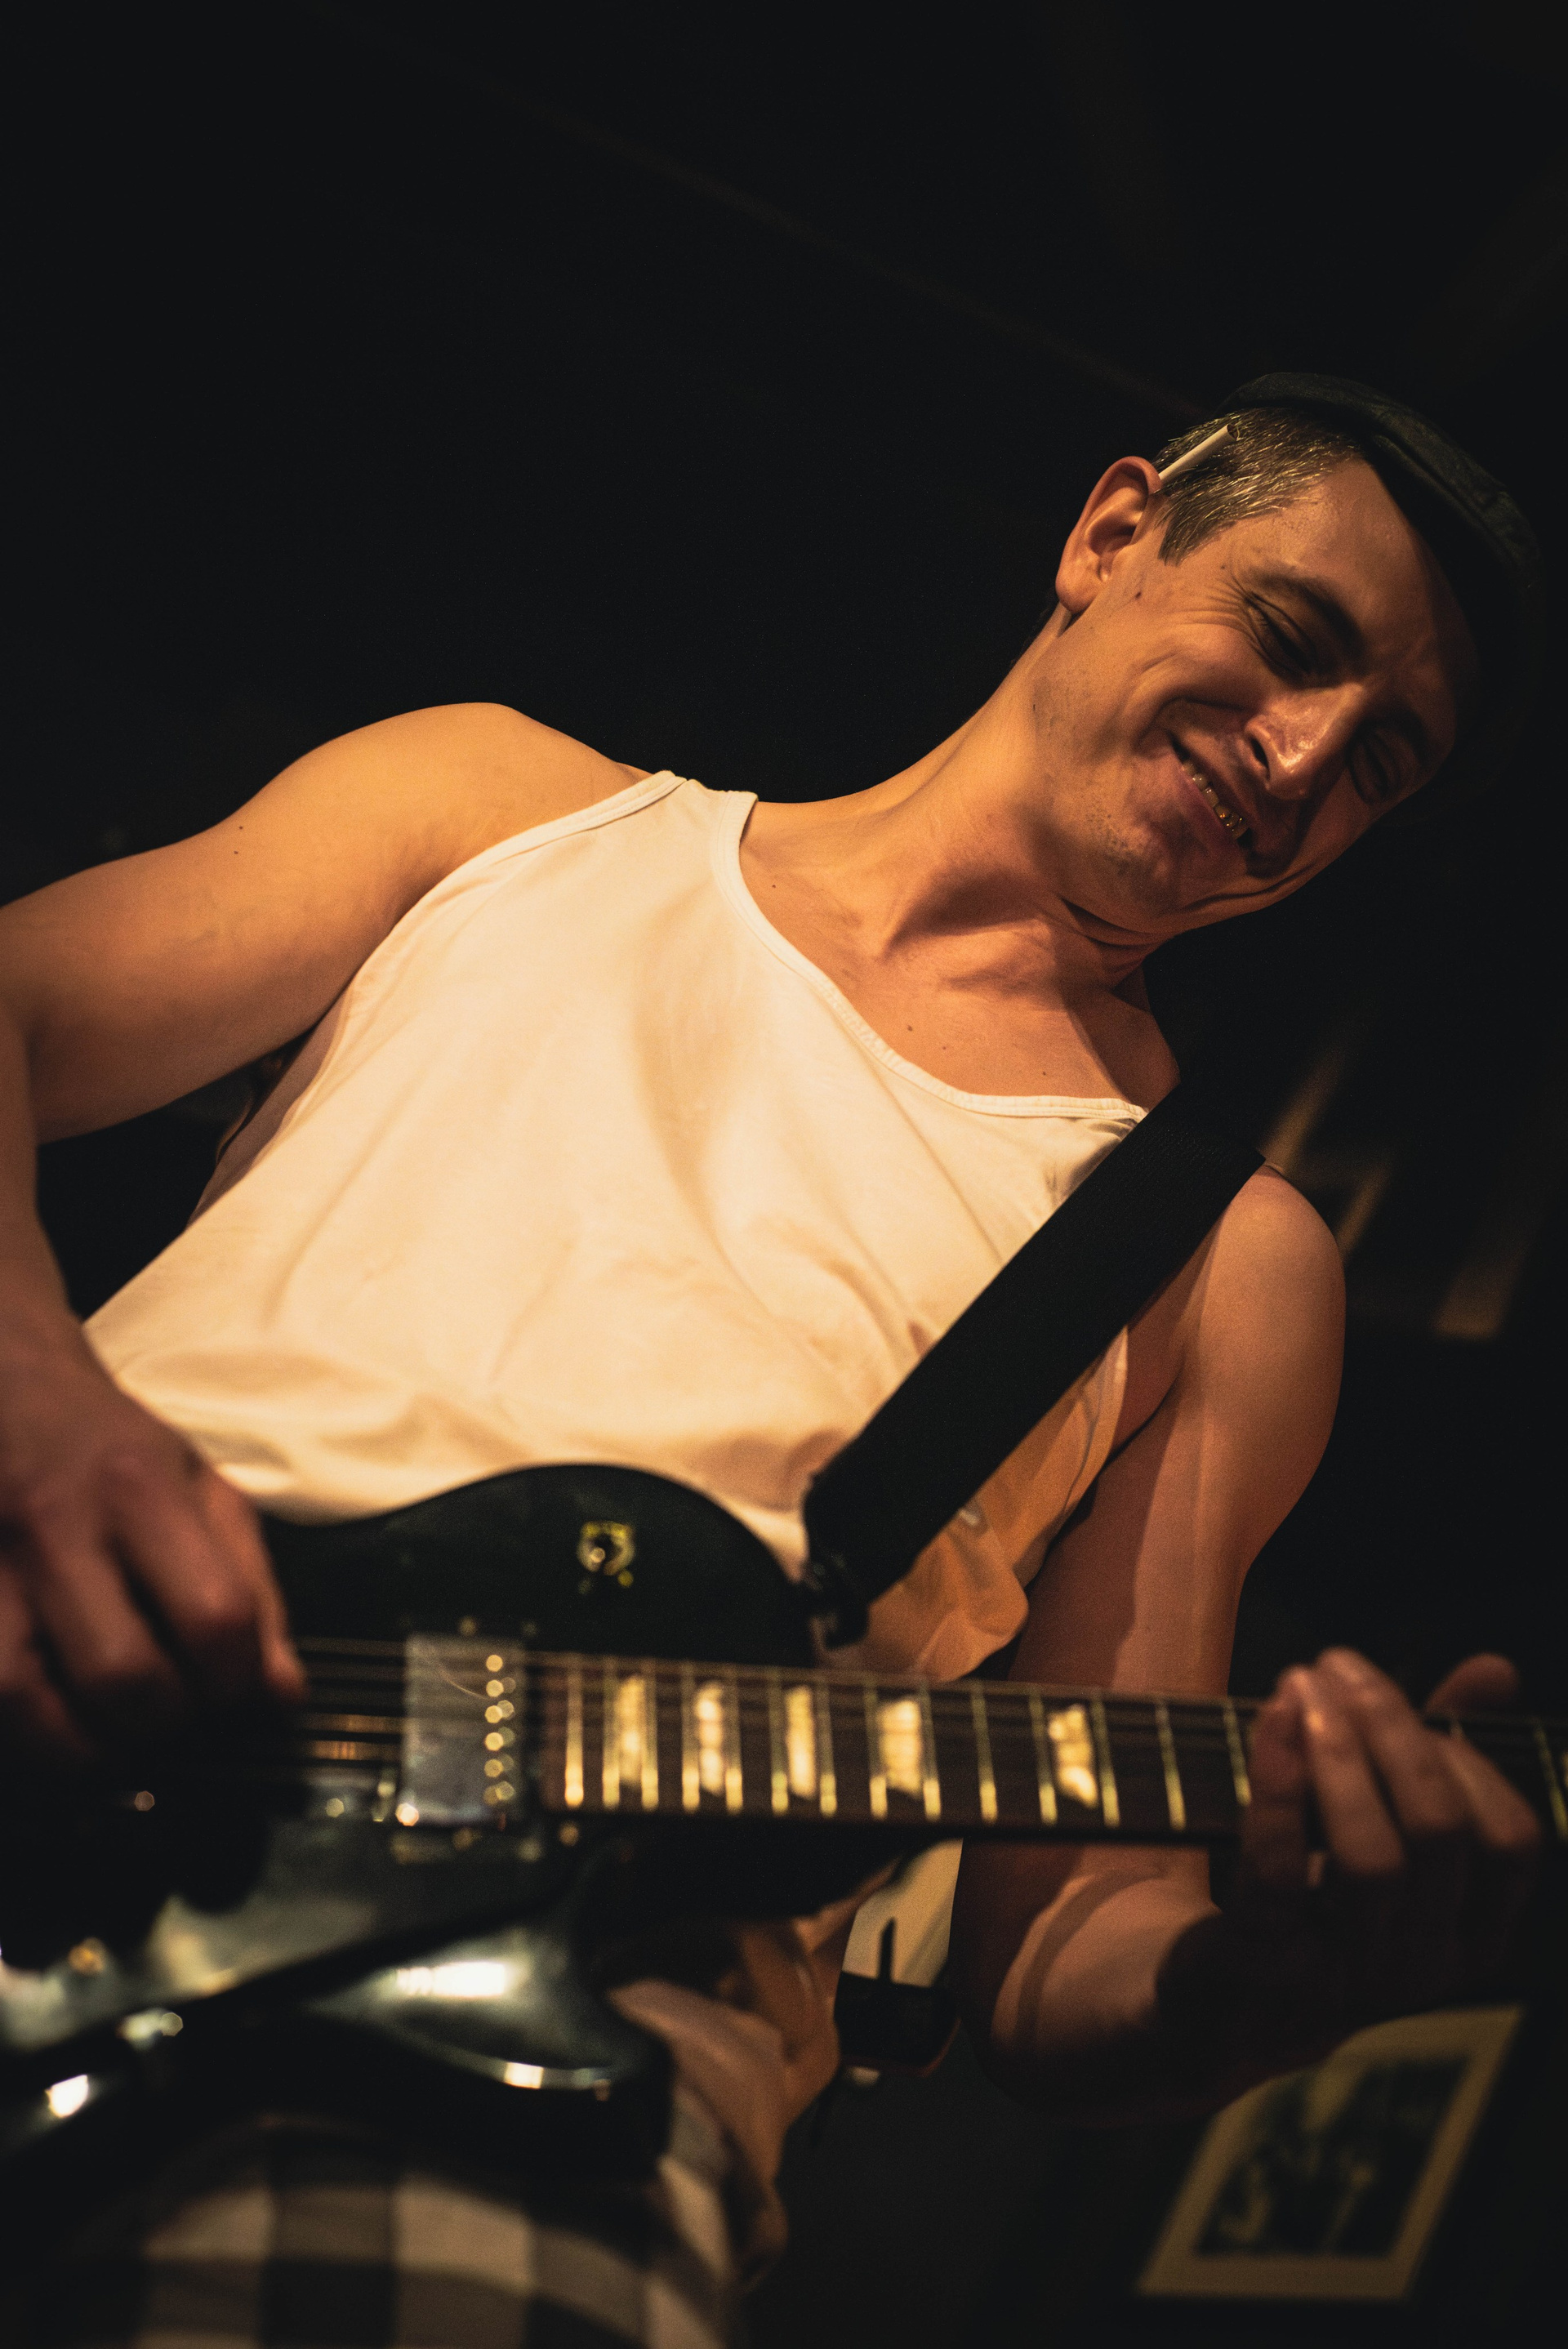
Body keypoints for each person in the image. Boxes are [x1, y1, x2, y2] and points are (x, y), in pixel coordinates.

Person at [0, 377, 1545, 2345]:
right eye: (1295, 637)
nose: (1306, 757)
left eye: (1380, 760)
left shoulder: (1222, 1259)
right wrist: (41, 1411)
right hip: (59, 1711)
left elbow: (1068, 1939)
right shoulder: (501, 810)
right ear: (1111, 536)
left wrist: (1269, 1985)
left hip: (548, 2081)